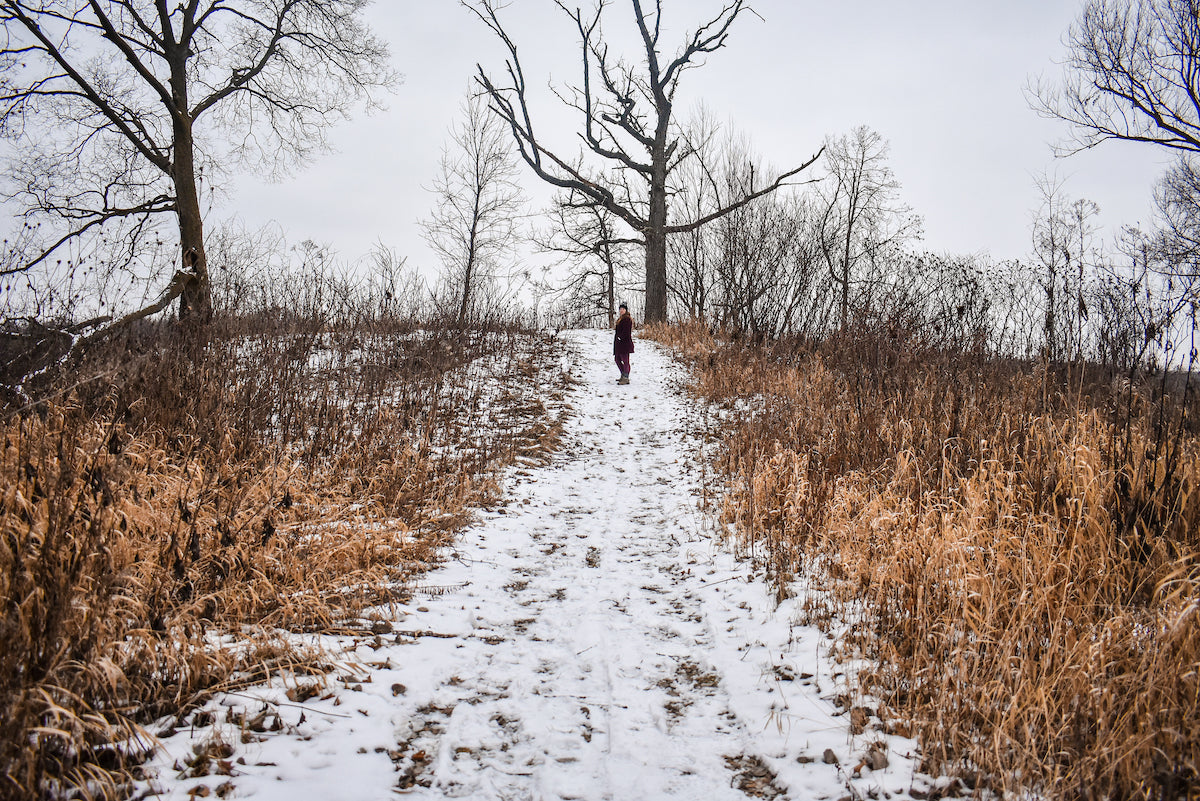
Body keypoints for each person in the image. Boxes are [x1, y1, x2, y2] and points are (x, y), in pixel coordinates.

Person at [613, 303, 634, 384]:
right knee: (617, 359)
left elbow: (626, 332)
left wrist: (620, 337)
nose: (621, 311)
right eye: (620, 309)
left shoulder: (627, 319)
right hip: (619, 344)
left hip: (624, 344)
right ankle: (623, 374)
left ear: (626, 310)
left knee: (625, 360)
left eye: (623, 309)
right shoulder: (620, 319)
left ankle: (626, 377)